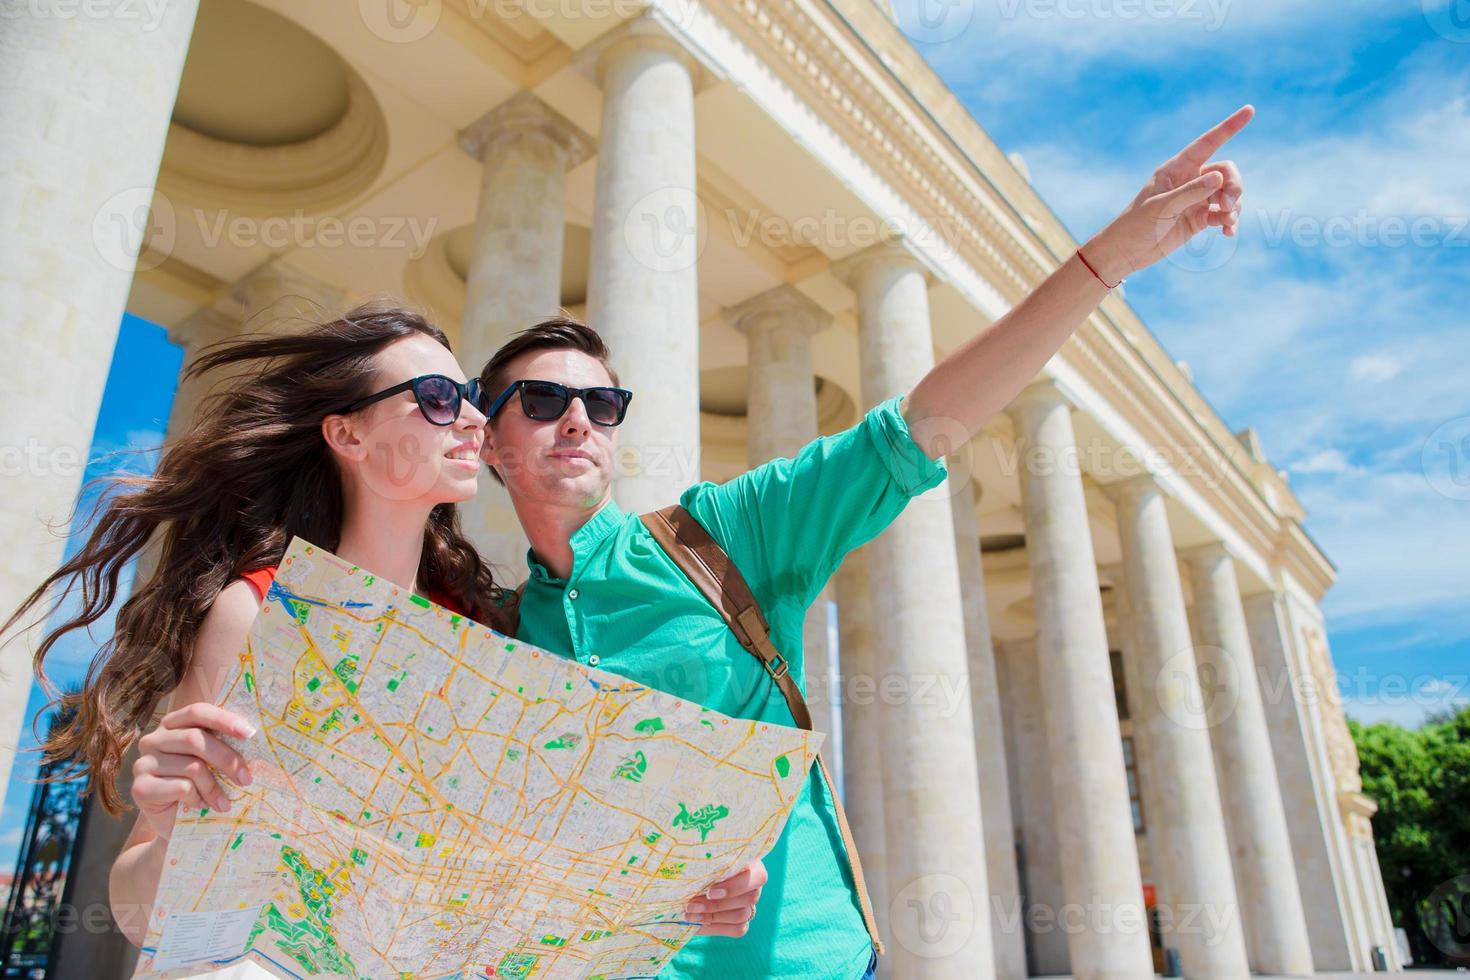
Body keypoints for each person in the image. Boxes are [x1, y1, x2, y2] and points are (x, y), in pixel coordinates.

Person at [473, 106, 1253, 979]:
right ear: (490, 443)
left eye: (602, 406)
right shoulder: (498, 633)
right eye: (542, 402)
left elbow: (920, 427)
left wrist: (1109, 259)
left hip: (800, 965)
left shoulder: (724, 534)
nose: (577, 420)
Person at [3, 302, 756, 964]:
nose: (471, 417)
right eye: (435, 398)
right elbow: (143, 916)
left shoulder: (485, 628)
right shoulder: (256, 611)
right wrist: (171, 828)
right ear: (347, 435)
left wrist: (690, 881)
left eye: (467, 397)